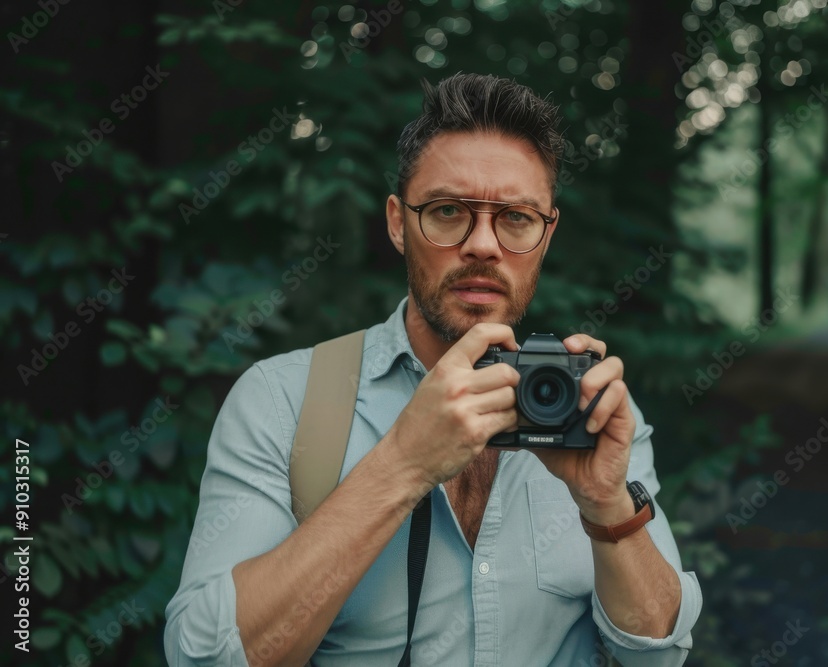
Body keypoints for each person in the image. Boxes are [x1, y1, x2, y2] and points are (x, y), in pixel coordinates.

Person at [164, 72, 701, 666]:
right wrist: (402, 464)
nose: (483, 245)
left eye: (516, 218)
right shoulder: (283, 400)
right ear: (398, 222)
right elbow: (204, 658)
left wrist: (607, 508)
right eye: (448, 211)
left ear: (547, 233)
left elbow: (659, 657)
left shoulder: (592, 411)